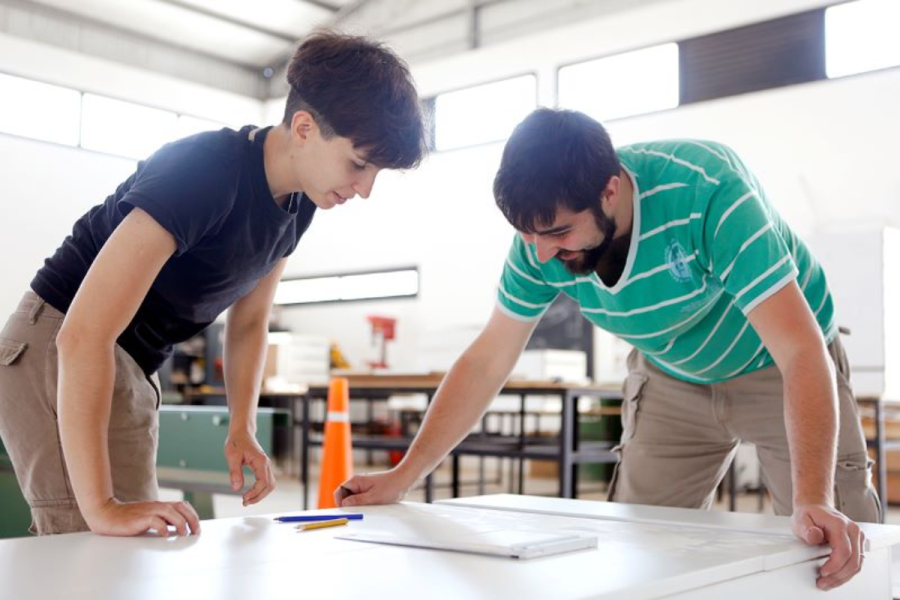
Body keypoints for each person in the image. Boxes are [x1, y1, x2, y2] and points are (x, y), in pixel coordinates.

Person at [336, 108, 879, 590]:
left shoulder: (707, 190)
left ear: (609, 189)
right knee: (641, 555)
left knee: (834, 551)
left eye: (558, 233)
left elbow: (801, 352)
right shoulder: (538, 240)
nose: (544, 254)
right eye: (530, 237)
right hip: (670, 374)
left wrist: (815, 497)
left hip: (774, 363)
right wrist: (402, 476)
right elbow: (486, 360)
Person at [0, 30, 426, 537]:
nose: (366, 189)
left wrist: (241, 425)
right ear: (305, 127)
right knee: (91, 544)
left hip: (129, 361)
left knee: (129, 549)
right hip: (59, 343)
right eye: (359, 164)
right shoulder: (205, 171)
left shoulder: (299, 204)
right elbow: (82, 335)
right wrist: (101, 508)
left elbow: (248, 323)